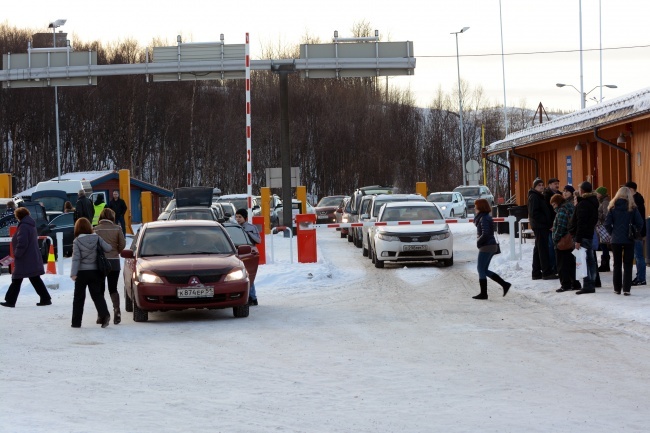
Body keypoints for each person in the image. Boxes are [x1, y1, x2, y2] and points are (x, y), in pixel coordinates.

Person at [1, 207, 52, 308]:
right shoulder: (30, 225)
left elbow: (22, 242)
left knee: (17, 279)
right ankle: (46, 298)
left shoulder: (24, 226)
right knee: (34, 278)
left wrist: (17, 253)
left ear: (19, 216)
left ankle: (10, 301)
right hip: (31, 257)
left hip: (25, 258)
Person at [70, 217, 112, 328]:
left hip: (82, 273)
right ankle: (105, 314)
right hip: (95, 271)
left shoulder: (77, 241)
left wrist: (73, 274)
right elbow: (108, 248)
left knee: (78, 297)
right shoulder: (97, 238)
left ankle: (76, 323)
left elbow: (76, 258)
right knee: (97, 295)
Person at [604, 186, 643, 296]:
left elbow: (607, 224)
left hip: (615, 239)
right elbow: (640, 223)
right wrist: (635, 231)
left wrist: (613, 233)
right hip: (629, 239)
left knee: (617, 264)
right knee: (628, 264)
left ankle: (617, 288)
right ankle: (626, 289)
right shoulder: (632, 207)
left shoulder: (612, 207)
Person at [471, 198, 511, 299]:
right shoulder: (484, 217)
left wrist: (478, 242)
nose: (474, 208)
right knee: (484, 270)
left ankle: (484, 293)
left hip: (486, 246)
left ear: (480, 207)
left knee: (480, 269)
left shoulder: (484, 218)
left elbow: (486, 233)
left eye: (476, 206)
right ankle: (504, 284)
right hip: (489, 245)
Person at [94, 208, 126, 324]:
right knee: (113, 288)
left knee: (100, 289)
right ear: (112, 217)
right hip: (114, 262)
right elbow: (122, 244)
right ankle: (117, 310)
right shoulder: (117, 228)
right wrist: (116, 250)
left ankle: (101, 314)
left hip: (100, 263)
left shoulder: (96, 229)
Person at [568, 181, 599, 294]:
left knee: (583, 261)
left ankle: (587, 284)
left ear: (582, 191)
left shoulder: (583, 204)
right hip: (589, 234)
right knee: (590, 259)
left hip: (583, 236)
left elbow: (581, 222)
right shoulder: (594, 202)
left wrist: (578, 239)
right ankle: (591, 283)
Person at [527, 178, 557, 280]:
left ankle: (536, 272)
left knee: (538, 249)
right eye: (539, 185)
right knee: (543, 249)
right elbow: (534, 213)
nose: (541, 186)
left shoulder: (539, 196)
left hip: (541, 226)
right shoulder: (534, 197)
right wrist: (547, 222)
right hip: (540, 226)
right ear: (534, 187)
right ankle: (546, 272)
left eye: (542, 185)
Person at [550, 194, 578, 292]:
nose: (553, 207)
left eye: (553, 204)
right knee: (571, 263)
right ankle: (575, 282)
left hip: (563, 241)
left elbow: (561, 227)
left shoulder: (561, 211)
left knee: (562, 264)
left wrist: (555, 238)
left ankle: (565, 284)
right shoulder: (571, 207)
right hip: (571, 239)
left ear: (557, 202)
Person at [235, 208, 261, 306]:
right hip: (238, 254)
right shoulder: (234, 227)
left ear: (245, 218)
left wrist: (248, 233)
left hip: (249, 254)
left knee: (249, 275)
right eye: (236, 217)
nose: (238, 219)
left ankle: (252, 297)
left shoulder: (251, 227)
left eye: (240, 217)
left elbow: (258, 240)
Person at [625, 181, 646, 286]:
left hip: (637, 232)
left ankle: (641, 278)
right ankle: (639, 276)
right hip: (637, 231)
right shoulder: (636, 199)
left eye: (626, 189)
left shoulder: (636, 201)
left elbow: (638, 219)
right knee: (637, 255)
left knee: (638, 256)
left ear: (631, 189)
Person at [543, 178, 560, 273]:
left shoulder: (559, 194)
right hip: (551, 225)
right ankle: (553, 266)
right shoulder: (546, 196)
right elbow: (547, 212)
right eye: (555, 184)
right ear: (549, 185)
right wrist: (550, 224)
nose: (557, 185)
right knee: (551, 246)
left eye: (557, 184)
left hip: (559, 223)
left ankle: (557, 265)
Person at [595, 186, 611, 272]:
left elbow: (606, 214)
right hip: (601, 226)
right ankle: (604, 264)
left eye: (598, 193)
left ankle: (605, 265)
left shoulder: (605, 202)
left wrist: (597, 215)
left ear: (601, 194)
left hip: (602, 226)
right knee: (603, 245)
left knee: (604, 245)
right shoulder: (602, 202)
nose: (597, 195)